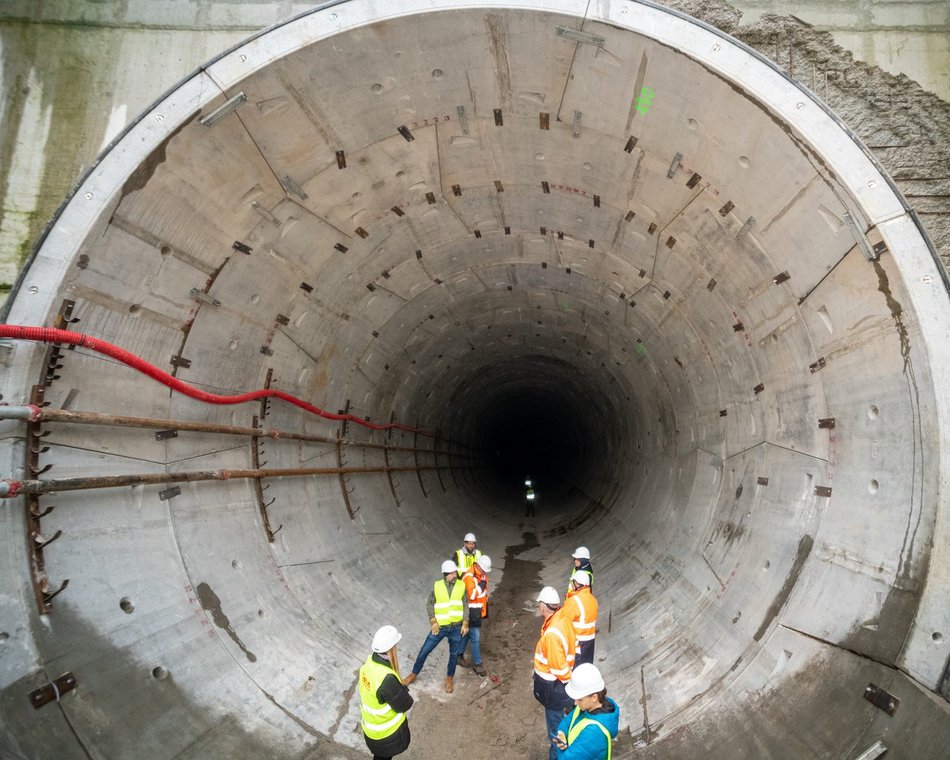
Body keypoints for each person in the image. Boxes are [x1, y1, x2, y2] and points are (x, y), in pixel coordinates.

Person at [403, 560, 467, 693]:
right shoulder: (437, 586)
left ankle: (449, 677)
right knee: (425, 650)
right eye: (451, 573)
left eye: (455, 572)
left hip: (456, 627)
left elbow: (466, 604)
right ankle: (414, 674)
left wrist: (466, 622)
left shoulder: (461, 585)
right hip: (440, 627)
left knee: (454, 654)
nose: (454, 575)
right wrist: (433, 620)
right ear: (445, 574)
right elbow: (430, 604)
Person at [533, 586, 577, 760]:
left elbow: (559, 669)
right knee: (561, 725)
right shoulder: (562, 619)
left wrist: (569, 685)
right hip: (558, 686)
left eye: (539, 605)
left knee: (555, 733)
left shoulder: (552, 634)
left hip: (553, 689)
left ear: (543, 607)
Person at [359, 625, 414, 760]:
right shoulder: (386, 678)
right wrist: (402, 689)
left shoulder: (367, 666)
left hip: (371, 730)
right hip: (386, 735)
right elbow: (405, 704)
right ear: (391, 648)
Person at [552, 663, 619, 759]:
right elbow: (567, 721)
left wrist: (561, 748)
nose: (575, 703)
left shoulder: (594, 733)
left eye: (579, 699)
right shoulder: (588, 705)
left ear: (594, 697)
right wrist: (561, 734)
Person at [457, 554, 491, 676]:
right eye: (483, 570)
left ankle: (458, 655)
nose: (485, 573)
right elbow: (472, 596)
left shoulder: (481, 576)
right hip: (469, 611)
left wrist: (484, 610)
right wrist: (481, 585)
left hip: (477, 610)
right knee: (475, 636)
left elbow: (483, 593)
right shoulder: (469, 577)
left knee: (467, 634)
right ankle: (478, 664)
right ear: (477, 565)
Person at [564, 570, 598, 666]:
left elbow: (563, 623)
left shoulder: (573, 601)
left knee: (575, 672)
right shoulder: (593, 600)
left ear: (577, 584)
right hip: (590, 643)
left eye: (572, 582)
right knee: (585, 670)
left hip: (577, 644)